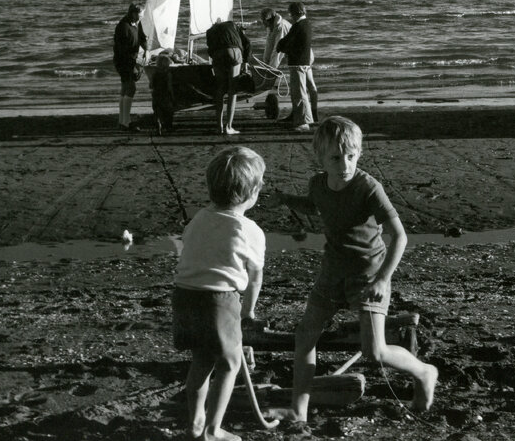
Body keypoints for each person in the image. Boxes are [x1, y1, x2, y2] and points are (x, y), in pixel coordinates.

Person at [273, 116, 438, 423]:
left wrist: (383, 278)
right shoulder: (317, 184)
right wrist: (287, 201)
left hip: (368, 273)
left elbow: (399, 236)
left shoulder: (368, 187)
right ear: (321, 158)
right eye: (336, 158)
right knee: (305, 336)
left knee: (374, 352)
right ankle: (299, 410)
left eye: (352, 156)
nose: (344, 164)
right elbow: (317, 205)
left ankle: (424, 371)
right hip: (331, 271)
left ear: (359, 153)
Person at [172, 146, 269, 441]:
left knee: (201, 360)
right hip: (219, 300)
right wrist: (248, 312)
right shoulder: (248, 230)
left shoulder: (199, 218)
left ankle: (195, 423)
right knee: (230, 364)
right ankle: (213, 431)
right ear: (253, 193)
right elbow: (254, 277)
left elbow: (188, 250)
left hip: (185, 296)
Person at [276, 2, 316, 133]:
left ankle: (304, 121)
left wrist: (280, 46)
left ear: (295, 13)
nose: (290, 16)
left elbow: (286, 42)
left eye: (291, 13)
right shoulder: (307, 24)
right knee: (301, 91)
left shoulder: (298, 26)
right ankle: (298, 117)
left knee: (299, 93)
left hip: (297, 62)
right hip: (304, 61)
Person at [206, 17, 247, 135]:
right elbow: (246, 43)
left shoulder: (210, 31)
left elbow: (210, 49)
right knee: (232, 90)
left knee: (220, 89)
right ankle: (229, 127)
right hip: (233, 52)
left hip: (218, 54)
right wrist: (245, 61)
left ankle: (219, 126)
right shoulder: (232, 25)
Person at [113, 2, 147, 132]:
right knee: (131, 88)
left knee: (125, 88)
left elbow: (142, 38)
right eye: (141, 13)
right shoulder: (123, 26)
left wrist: (146, 50)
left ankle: (122, 121)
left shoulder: (137, 24)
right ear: (134, 13)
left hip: (130, 60)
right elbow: (121, 50)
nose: (142, 16)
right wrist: (134, 62)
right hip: (124, 62)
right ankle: (126, 122)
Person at [150, 53, 176, 135]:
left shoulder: (155, 73)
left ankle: (158, 125)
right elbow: (169, 87)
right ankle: (168, 127)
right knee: (169, 112)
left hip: (156, 95)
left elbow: (151, 85)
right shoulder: (168, 74)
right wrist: (172, 96)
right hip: (165, 96)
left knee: (157, 112)